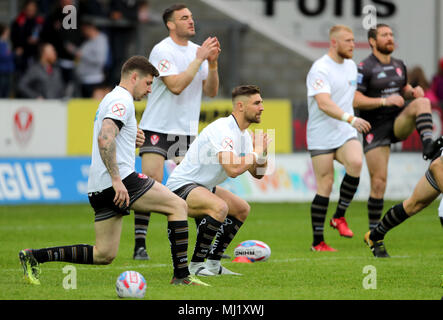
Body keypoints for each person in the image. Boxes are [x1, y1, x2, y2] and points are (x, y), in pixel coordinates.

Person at [18, 56, 208, 287]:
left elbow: (112, 134)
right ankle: (181, 277)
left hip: (98, 186)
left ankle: (34, 256)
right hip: (119, 180)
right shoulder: (122, 100)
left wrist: (131, 139)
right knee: (178, 205)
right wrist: (117, 180)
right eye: (148, 83)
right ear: (134, 77)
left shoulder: (111, 98)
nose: (149, 90)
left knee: (104, 254)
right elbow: (105, 136)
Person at [133, 3, 221, 260]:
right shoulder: (162, 50)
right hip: (157, 127)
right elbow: (176, 86)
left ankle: (203, 247)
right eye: (184, 18)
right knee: (150, 182)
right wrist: (200, 59)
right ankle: (140, 245)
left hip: (185, 132)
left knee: (197, 186)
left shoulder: (198, 53)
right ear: (171, 24)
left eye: (191, 17)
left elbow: (212, 92)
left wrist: (213, 65)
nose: (190, 21)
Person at [166, 84, 270, 276]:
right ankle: (196, 265)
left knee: (241, 209)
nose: (262, 107)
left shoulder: (244, 135)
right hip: (181, 186)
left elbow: (258, 174)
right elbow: (233, 170)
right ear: (240, 106)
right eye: (257, 103)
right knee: (220, 207)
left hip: (202, 186)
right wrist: (255, 151)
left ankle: (213, 264)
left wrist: (262, 152)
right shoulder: (223, 129)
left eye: (261, 103)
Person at [353, 24, 442, 231]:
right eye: (384, 35)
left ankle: (428, 147)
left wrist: (412, 91)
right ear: (373, 41)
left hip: (396, 122)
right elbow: (356, 100)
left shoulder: (399, 64)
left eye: (391, 34)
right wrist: (384, 101)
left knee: (423, 103)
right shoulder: (365, 67)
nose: (390, 38)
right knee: (379, 183)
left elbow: (403, 90)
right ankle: (374, 234)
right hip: (375, 127)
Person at [306, 25, 371, 252]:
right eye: (348, 41)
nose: (353, 44)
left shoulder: (352, 66)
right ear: (334, 43)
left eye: (353, 40)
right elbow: (323, 103)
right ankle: (318, 242)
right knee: (325, 185)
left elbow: (350, 97)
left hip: (344, 132)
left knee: (356, 162)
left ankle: (339, 216)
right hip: (321, 134)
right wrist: (351, 119)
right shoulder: (320, 69)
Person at [364, 148, 443, 257]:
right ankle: (375, 236)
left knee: (414, 205)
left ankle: (375, 235)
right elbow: (437, 165)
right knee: (414, 204)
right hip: (440, 167)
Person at [71, 20, 109, 97]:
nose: (83, 33)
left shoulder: (101, 40)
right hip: (83, 80)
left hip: (94, 80)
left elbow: (100, 60)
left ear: (90, 28)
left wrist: (82, 55)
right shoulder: (87, 42)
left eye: (84, 30)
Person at [0, 23, 14, 98]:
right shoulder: (1, 43)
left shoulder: (7, 43)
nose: (8, 33)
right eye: (7, 31)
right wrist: (12, 54)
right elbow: (4, 56)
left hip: (8, 70)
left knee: (7, 92)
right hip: (2, 71)